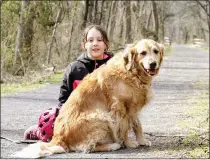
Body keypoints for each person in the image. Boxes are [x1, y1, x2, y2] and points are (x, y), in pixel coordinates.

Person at [24, 24, 113, 142]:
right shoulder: (74, 68)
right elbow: (64, 99)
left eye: (99, 40)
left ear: (106, 43)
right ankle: (42, 132)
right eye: (90, 40)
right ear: (84, 44)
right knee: (51, 117)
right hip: (79, 114)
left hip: (106, 114)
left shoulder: (114, 66)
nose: (95, 43)